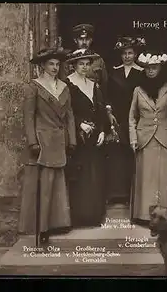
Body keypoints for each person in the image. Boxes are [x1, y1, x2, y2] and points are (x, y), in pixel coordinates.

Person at [18, 47, 76, 245]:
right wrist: (33, 141)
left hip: (60, 141)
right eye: (51, 64)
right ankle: (42, 228)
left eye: (57, 64)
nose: (54, 68)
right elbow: (28, 116)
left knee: (57, 184)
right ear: (42, 66)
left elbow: (69, 115)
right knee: (43, 186)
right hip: (42, 142)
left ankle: (57, 223)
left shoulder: (64, 87)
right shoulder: (33, 87)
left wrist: (72, 140)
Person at [64, 48, 110, 227]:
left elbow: (100, 112)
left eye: (87, 64)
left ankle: (93, 216)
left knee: (95, 175)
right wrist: (78, 124)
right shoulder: (67, 85)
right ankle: (79, 217)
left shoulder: (93, 85)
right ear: (74, 66)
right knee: (80, 176)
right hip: (77, 137)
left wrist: (102, 131)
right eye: (80, 64)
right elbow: (65, 112)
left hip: (94, 137)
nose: (84, 67)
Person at [129, 49, 167, 225]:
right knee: (146, 179)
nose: (150, 71)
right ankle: (144, 216)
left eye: (154, 68)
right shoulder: (138, 90)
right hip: (144, 138)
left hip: (164, 137)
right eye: (147, 68)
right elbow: (132, 116)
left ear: (160, 68)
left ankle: (164, 216)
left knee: (164, 179)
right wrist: (133, 138)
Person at [105, 36, 146, 205]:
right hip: (119, 117)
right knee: (118, 155)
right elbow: (108, 95)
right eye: (124, 54)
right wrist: (109, 113)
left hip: (136, 117)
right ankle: (118, 193)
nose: (127, 56)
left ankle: (134, 193)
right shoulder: (114, 71)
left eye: (130, 53)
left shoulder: (142, 72)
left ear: (135, 54)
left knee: (134, 153)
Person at [70, 24, 109, 99]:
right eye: (81, 39)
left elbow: (104, 84)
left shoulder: (98, 60)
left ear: (91, 40)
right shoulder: (69, 60)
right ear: (75, 40)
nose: (84, 42)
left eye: (87, 39)